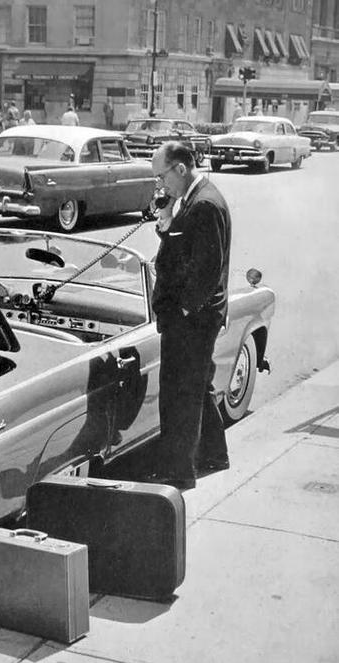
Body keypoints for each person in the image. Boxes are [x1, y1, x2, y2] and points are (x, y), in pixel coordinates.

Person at [148, 141, 232, 490]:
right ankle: (214, 454)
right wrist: (165, 217)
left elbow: (208, 268)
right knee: (198, 386)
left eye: (161, 177)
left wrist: (184, 309)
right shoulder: (194, 199)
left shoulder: (205, 205)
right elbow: (181, 245)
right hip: (195, 315)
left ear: (180, 169)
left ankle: (179, 471)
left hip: (192, 319)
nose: (160, 186)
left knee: (179, 393)